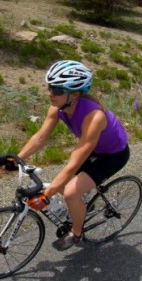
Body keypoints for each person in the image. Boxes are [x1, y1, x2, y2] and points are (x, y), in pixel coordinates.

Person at [13, 60, 130, 250]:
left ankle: (76, 233)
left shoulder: (94, 116)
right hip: (95, 149)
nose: (51, 93)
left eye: (58, 89)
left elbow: (74, 163)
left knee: (69, 191)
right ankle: (82, 205)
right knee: (65, 185)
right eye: (50, 87)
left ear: (74, 94)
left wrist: (46, 195)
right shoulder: (59, 106)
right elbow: (40, 137)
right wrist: (16, 159)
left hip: (113, 155)